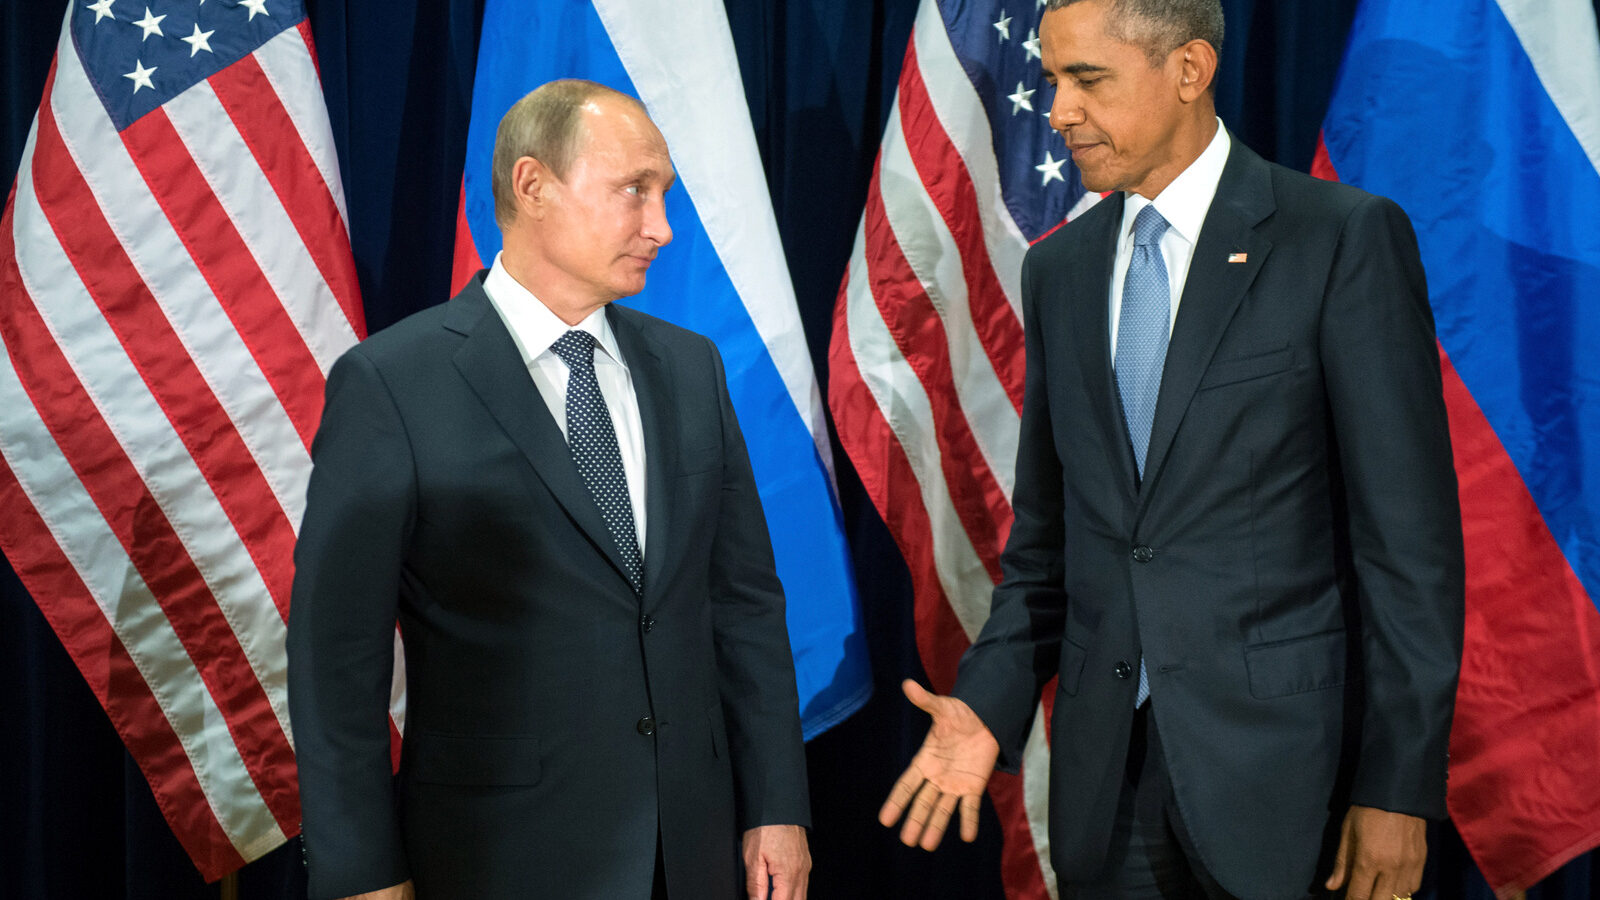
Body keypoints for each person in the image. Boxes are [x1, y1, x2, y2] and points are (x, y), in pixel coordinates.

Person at [877, 2, 1464, 898]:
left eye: (1087, 79)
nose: (1059, 110)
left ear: (1188, 70)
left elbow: (1409, 553)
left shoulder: (1336, 239)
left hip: (1291, 791)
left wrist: (1400, 788)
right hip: (1109, 790)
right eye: (1054, 80)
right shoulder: (1060, 272)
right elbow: (1045, 554)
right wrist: (988, 706)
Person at [287, 80, 811, 900]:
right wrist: (362, 874)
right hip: (497, 860)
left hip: (696, 855)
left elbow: (743, 603)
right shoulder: (392, 384)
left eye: (664, 194)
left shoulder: (690, 367)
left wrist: (777, 806)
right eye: (635, 190)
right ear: (532, 186)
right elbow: (336, 661)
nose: (662, 227)